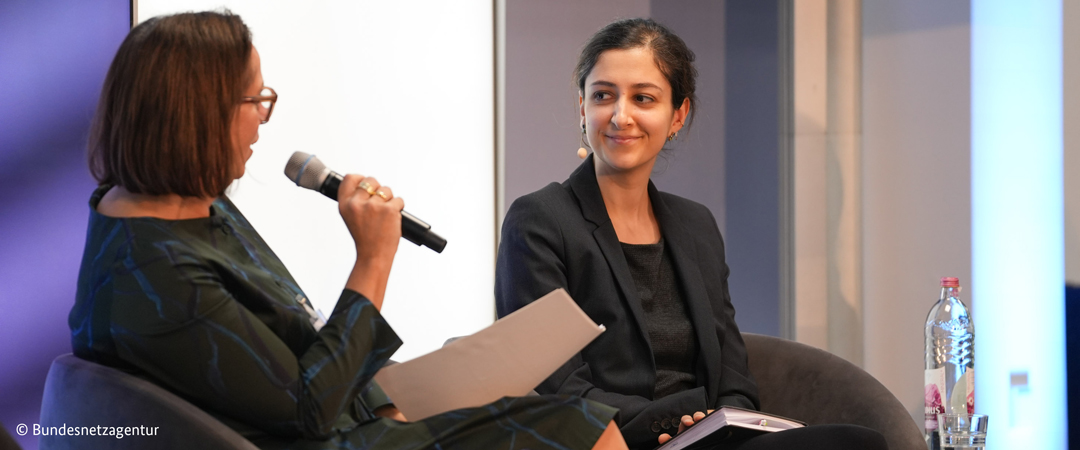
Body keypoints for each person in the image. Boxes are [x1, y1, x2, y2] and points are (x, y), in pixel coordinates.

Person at [70, 11, 627, 450]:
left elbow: (282, 346)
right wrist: (373, 258)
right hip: (321, 438)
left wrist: (378, 395)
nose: (264, 118)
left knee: (539, 403)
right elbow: (309, 409)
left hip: (339, 415)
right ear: (198, 113)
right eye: (254, 100)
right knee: (581, 425)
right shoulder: (159, 274)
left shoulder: (175, 206)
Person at [495, 18, 888, 450]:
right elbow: (560, 387)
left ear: (677, 114)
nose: (621, 115)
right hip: (613, 443)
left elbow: (733, 376)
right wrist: (676, 421)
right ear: (583, 108)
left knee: (860, 441)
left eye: (643, 98)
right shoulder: (539, 220)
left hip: (709, 439)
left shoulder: (695, 224)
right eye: (603, 95)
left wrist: (723, 423)